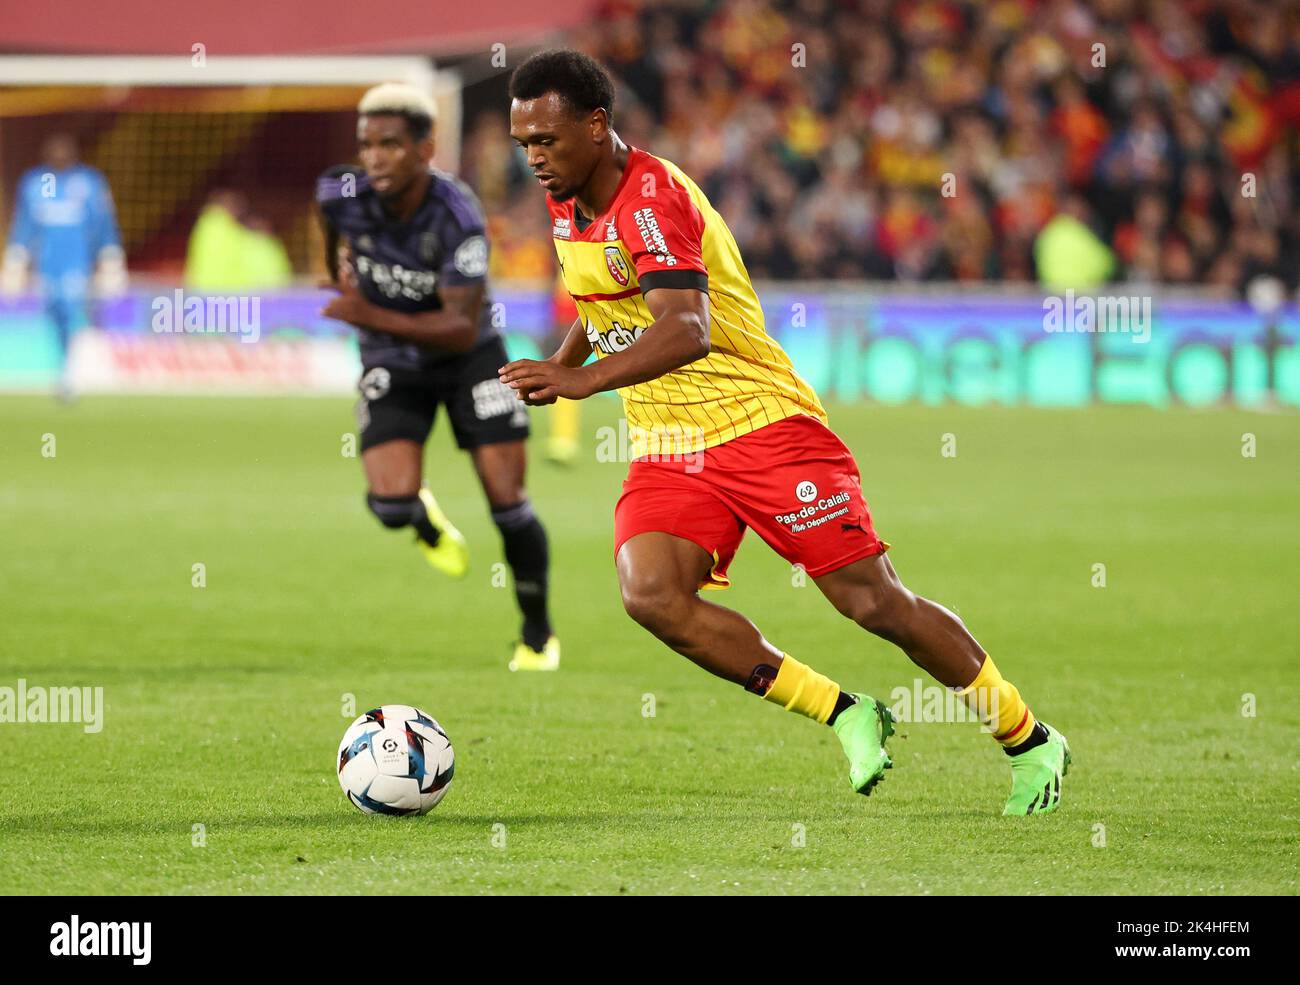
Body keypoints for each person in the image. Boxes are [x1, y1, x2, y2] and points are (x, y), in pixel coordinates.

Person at [500, 50, 1070, 813]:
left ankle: (1029, 739)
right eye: (524, 144)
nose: (535, 158)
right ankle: (847, 711)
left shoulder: (651, 199)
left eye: (548, 140)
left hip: (760, 423)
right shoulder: (568, 191)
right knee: (653, 596)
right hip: (669, 439)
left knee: (872, 602)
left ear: (597, 125)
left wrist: (578, 381)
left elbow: (687, 327)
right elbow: (606, 296)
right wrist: (562, 354)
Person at [317, 83, 558, 671]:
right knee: (390, 506)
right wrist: (338, 272)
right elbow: (332, 231)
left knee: (508, 502)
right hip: (393, 360)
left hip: (471, 360)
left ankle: (537, 636)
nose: (374, 157)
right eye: (367, 144)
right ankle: (422, 518)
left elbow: (455, 327)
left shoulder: (457, 217)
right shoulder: (340, 192)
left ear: (425, 149)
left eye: (391, 144)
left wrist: (363, 311)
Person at [2, 133, 126, 398]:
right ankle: (63, 366)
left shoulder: (90, 183)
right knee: (54, 314)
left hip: (77, 264)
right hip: (47, 265)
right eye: (54, 149)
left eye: (64, 149)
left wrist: (111, 256)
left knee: (73, 312)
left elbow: (104, 222)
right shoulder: (35, 183)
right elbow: (24, 223)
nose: (59, 153)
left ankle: (73, 372)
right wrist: (16, 258)